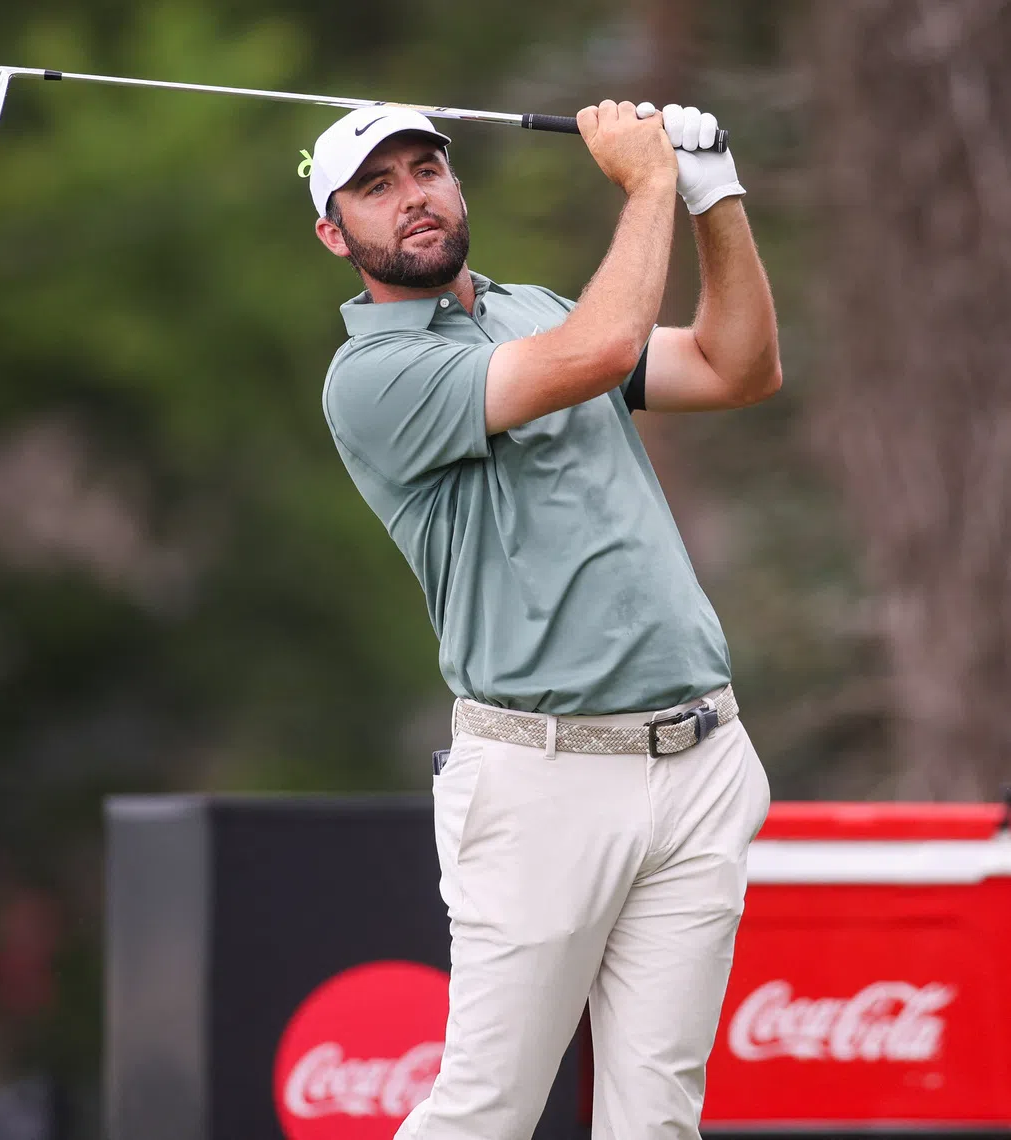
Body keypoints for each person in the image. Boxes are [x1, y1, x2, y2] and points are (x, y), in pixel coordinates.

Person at [310, 98, 780, 1140]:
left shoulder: (533, 309)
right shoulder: (371, 378)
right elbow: (604, 348)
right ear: (336, 235)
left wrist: (712, 195)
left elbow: (738, 367)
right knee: (485, 1114)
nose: (412, 199)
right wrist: (650, 179)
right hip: (543, 779)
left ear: (456, 185)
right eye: (375, 189)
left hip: (699, 760)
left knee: (656, 1121)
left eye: (426, 170)